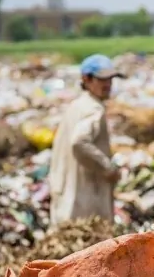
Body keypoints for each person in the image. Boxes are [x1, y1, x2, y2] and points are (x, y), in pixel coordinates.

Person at [49, 54, 125, 225]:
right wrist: (108, 168)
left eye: (110, 80)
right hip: (85, 202)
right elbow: (79, 141)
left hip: (68, 197)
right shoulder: (93, 109)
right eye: (102, 80)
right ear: (86, 79)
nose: (108, 85)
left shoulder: (77, 105)